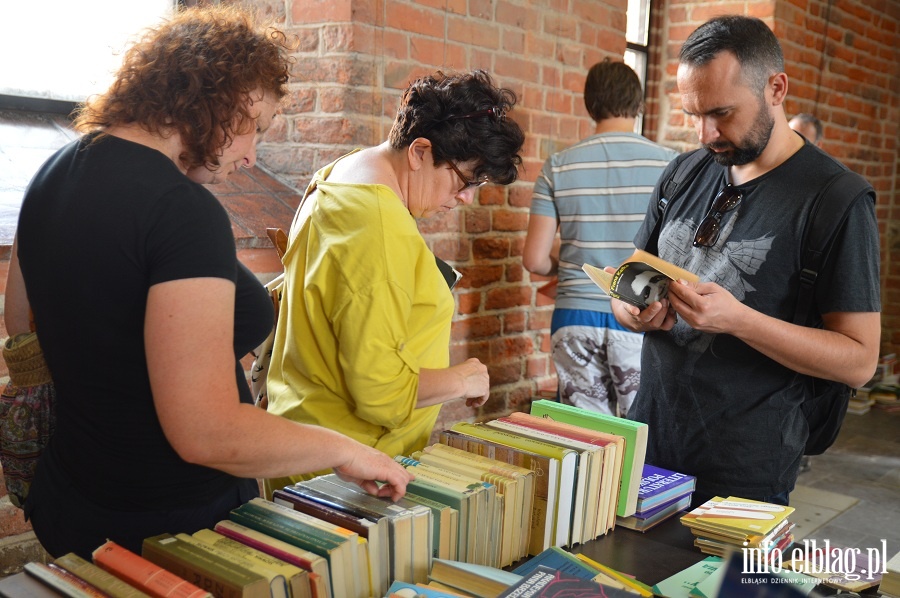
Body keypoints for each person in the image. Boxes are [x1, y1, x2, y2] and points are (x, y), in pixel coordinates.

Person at [5, 5, 413, 560]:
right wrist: (345, 450)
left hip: (75, 497)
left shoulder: (53, 172)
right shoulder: (181, 209)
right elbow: (206, 432)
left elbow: (22, 326)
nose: (251, 155)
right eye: (256, 129)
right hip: (169, 522)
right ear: (221, 98)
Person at [612, 15, 880, 507]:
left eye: (721, 113)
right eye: (693, 114)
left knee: (725, 588)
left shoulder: (836, 200)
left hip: (744, 471)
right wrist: (633, 311)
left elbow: (860, 361)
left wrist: (739, 321)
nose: (704, 133)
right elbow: (632, 279)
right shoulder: (683, 173)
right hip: (647, 443)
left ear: (776, 88)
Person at [263, 70, 526, 495]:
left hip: (307, 438)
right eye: (466, 180)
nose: (466, 197)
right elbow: (380, 392)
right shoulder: (376, 226)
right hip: (348, 472)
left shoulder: (346, 171)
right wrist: (464, 378)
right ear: (420, 151)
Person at [522, 58, 678, 417]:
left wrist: (574, 257)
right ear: (639, 105)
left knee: (586, 441)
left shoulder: (558, 166)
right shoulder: (671, 166)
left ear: (590, 105)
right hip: (642, 314)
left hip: (575, 317)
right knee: (641, 434)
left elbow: (534, 260)